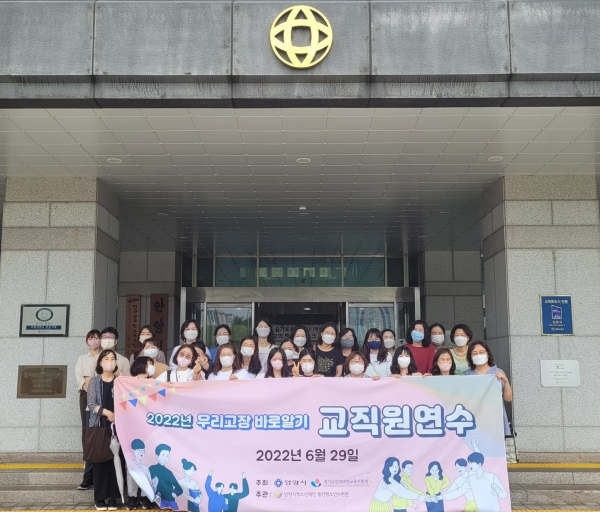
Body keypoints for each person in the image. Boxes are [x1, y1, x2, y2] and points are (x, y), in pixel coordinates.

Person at [87, 349, 121, 511]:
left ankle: (113, 497)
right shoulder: (94, 381)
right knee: (100, 461)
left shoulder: (120, 381)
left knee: (115, 461)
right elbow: (91, 404)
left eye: (112, 359)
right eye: (106, 359)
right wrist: (108, 413)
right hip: (99, 426)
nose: (110, 362)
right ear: (100, 362)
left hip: (117, 427)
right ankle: (99, 498)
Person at [466, 341, 513, 436]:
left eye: (481, 352)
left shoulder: (497, 373)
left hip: (495, 416)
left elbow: (508, 398)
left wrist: (506, 382)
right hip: (474, 416)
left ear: (488, 354)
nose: (478, 355)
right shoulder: (467, 375)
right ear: (470, 357)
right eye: (474, 353)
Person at [75, 329, 102, 490]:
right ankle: (88, 474)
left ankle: (98, 473)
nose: (94, 341)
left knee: (102, 431)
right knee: (88, 431)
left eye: (97, 338)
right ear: (87, 341)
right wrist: (91, 390)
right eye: (91, 338)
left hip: (104, 396)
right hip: (86, 396)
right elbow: (80, 379)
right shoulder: (82, 359)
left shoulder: (106, 356)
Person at [441, 450, 508, 512]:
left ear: (479, 464)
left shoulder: (492, 477)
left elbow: (504, 495)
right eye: (469, 463)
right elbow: (459, 491)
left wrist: (498, 490)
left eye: (472, 463)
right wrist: (442, 497)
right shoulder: (470, 479)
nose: (470, 465)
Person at [149, 444, 183, 510]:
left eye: (167, 456)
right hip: (161, 499)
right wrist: (155, 486)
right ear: (157, 456)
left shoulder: (169, 472)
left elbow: (179, 488)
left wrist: (175, 493)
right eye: (163, 455)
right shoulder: (152, 468)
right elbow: (150, 485)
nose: (165, 458)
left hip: (171, 499)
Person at [126, 439, 154, 510]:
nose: (141, 452)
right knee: (130, 466)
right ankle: (132, 496)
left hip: (146, 435)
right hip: (128, 436)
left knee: (146, 465)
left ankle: (145, 495)